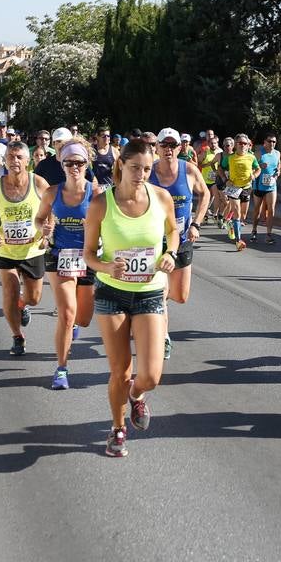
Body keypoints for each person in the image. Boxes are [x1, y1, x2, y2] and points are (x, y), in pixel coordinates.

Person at [83, 139, 182, 458]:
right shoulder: (101, 204)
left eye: (147, 169)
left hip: (150, 292)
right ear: (121, 165)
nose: (141, 174)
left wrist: (171, 253)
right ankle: (117, 429)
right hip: (112, 293)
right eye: (136, 167)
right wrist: (106, 266)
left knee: (151, 376)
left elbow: (173, 232)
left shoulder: (162, 198)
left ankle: (136, 396)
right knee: (120, 370)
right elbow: (87, 255)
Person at [40, 138, 100, 389]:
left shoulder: (96, 194)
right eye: (69, 163)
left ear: (87, 164)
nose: (74, 167)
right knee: (66, 314)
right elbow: (39, 219)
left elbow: (110, 223)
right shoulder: (52, 192)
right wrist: (43, 228)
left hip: (88, 257)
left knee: (83, 318)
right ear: (62, 165)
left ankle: (75, 324)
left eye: (79, 162)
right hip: (59, 255)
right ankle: (61, 369)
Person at [0, 141, 50, 356]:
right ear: (5, 161)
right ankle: (17, 336)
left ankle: (24, 303)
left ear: (28, 161)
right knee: (9, 290)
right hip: (6, 251)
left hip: (33, 249)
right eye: (10, 157)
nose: (15, 161)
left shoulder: (39, 183)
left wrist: (49, 232)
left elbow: (50, 209)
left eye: (19, 157)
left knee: (34, 297)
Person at [150, 127, 211, 358]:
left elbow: (205, 194)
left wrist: (196, 223)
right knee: (162, 289)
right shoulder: (150, 172)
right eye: (163, 145)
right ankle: (163, 336)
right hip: (157, 241)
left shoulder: (189, 170)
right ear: (157, 148)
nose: (168, 149)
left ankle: (155, 300)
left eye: (172, 145)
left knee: (180, 295)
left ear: (179, 147)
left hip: (183, 239)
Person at [221, 134, 260, 250]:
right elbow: (220, 168)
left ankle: (229, 221)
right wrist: (225, 179)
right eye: (240, 143)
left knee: (243, 215)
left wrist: (254, 175)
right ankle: (238, 241)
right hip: (234, 187)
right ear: (236, 145)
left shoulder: (251, 157)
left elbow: (258, 169)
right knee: (237, 213)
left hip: (247, 188)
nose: (243, 145)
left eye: (245, 143)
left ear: (248, 145)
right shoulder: (230, 157)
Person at [250, 133, 281, 244]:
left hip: (271, 185)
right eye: (270, 141)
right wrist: (259, 166)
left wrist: (276, 175)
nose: (272, 143)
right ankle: (254, 230)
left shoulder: (277, 153)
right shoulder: (259, 153)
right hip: (259, 185)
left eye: (274, 142)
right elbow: (250, 167)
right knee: (257, 209)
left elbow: (278, 167)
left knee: (271, 209)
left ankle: (268, 234)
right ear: (265, 141)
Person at [197, 136, 220, 223]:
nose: (213, 145)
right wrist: (208, 164)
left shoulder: (220, 152)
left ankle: (215, 214)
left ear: (217, 143)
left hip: (215, 179)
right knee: (205, 197)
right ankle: (205, 215)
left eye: (215, 143)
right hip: (205, 179)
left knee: (216, 197)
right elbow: (199, 164)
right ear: (208, 144)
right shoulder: (205, 152)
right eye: (211, 143)